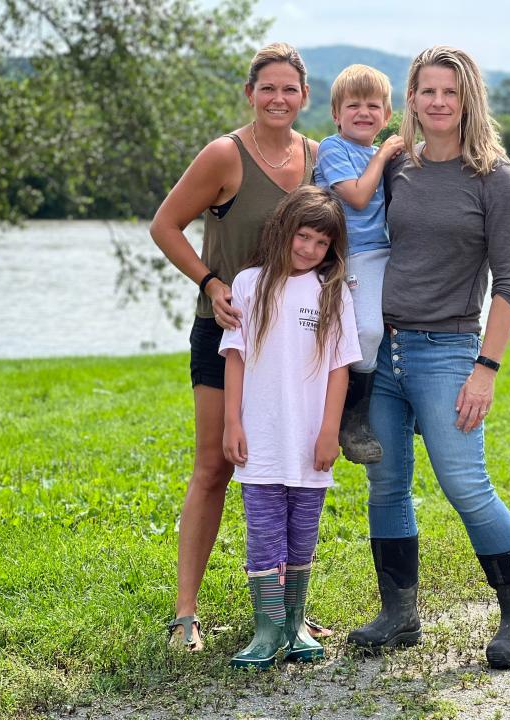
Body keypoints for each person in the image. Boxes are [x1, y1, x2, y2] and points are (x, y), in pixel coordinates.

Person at [345, 46, 510, 669]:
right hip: (384, 350)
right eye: (426, 91)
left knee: (465, 483)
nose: (437, 102)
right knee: (387, 486)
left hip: (449, 351)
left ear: (468, 100)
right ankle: (398, 614)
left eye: (450, 93)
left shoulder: (494, 176)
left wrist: (485, 369)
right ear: (411, 98)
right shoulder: (397, 165)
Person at [150, 42, 319, 652]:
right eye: (267, 88)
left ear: (305, 97)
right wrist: (211, 281)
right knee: (216, 465)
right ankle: (186, 615)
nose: (278, 99)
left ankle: (288, 612)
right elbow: (165, 226)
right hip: (224, 333)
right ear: (250, 93)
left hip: (293, 348)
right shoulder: (226, 154)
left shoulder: (318, 157)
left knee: (291, 470)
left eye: (290, 90)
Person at [219, 185, 361, 669]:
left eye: (321, 243)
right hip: (260, 436)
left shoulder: (331, 291)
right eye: (303, 237)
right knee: (263, 534)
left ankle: (295, 623)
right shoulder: (248, 284)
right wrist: (232, 421)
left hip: (309, 440)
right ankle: (266, 629)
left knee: (302, 534)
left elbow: (340, 368)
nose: (309, 250)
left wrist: (329, 431)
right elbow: (235, 358)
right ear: (284, 231)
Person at [315, 64, 405, 465]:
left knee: (403, 319)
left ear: (386, 115)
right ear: (337, 113)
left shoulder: (376, 155)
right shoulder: (333, 148)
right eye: (354, 105)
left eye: (373, 105)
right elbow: (356, 196)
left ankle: (411, 401)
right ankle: (351, 417)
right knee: (367, 330)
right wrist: (385, 152)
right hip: (350, 253)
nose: (364, 112)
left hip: (383, 251)